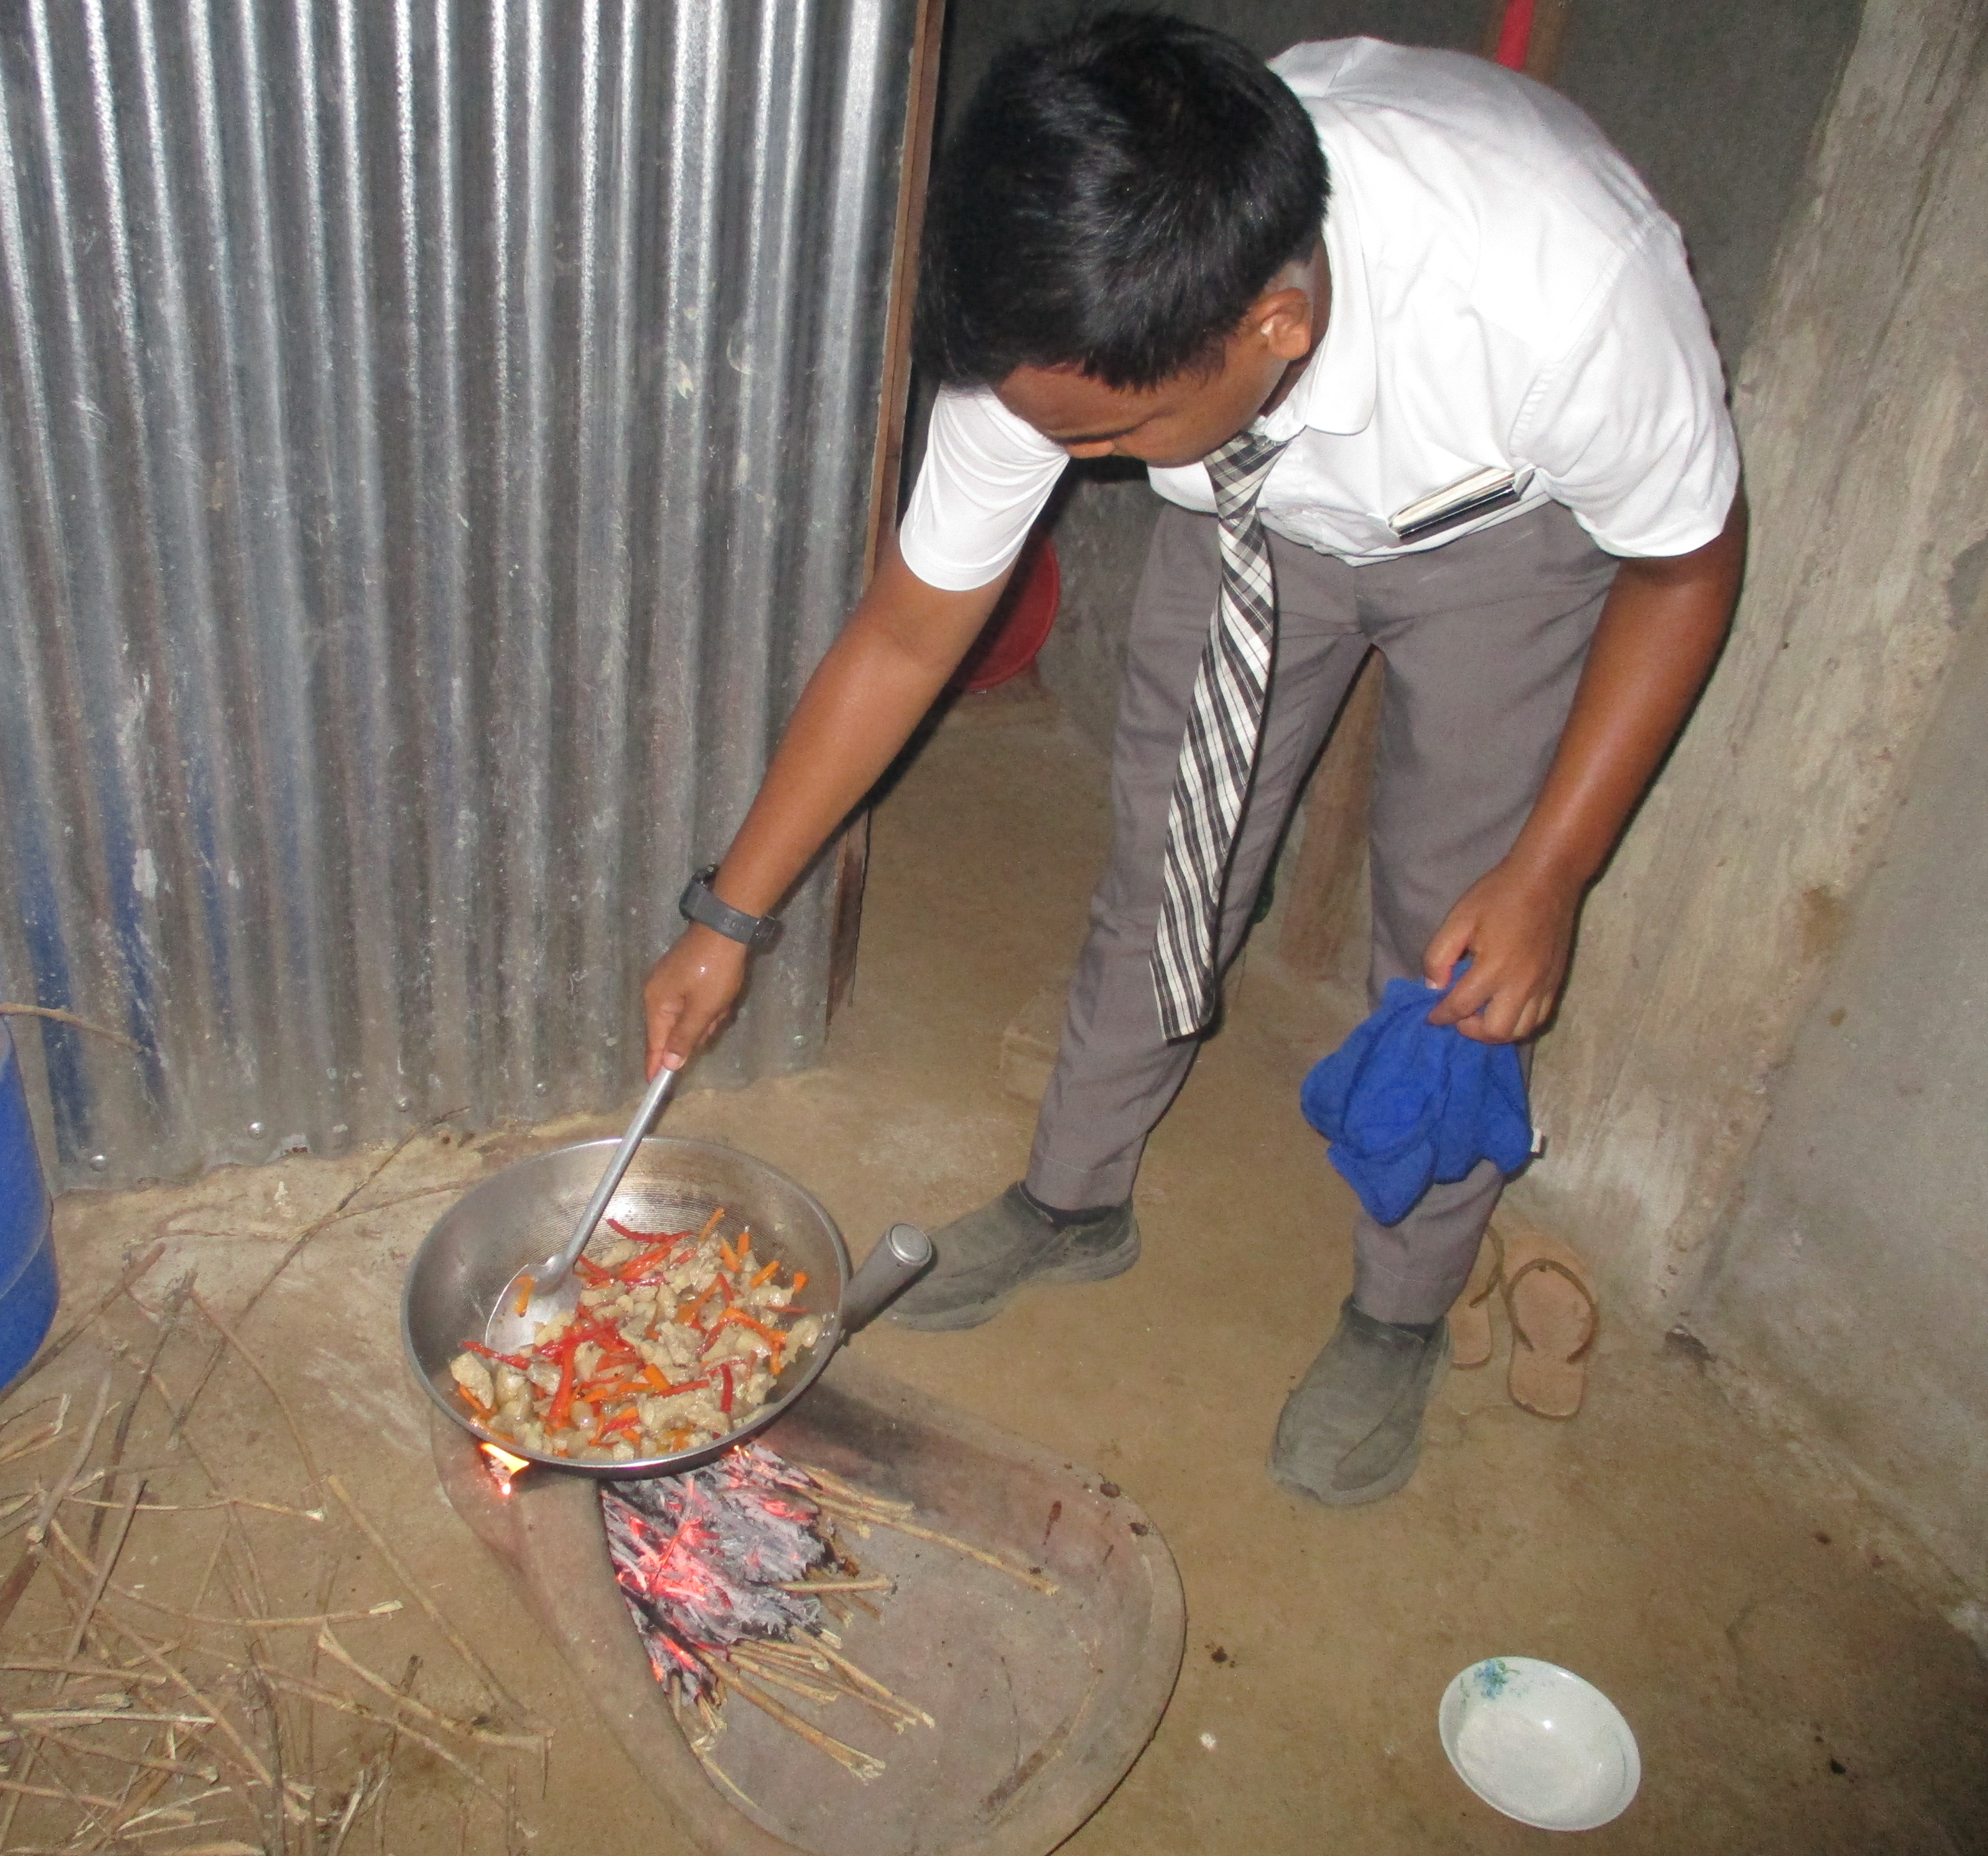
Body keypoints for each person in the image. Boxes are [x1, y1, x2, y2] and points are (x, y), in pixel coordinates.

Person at [643, 14, 1744, 1507]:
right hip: (1250, 507)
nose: (1065, 464)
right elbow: (907, 637)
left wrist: (1553, 870)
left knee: (1456, 942)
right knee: (1166, 858)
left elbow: (1686, 565)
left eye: (1102, 439)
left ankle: (1402, 1307)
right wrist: (730, 915)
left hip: (1498, 523)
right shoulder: (1073, 317)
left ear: (1274, 326)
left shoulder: (1560, 290)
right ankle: (1074, 1202)